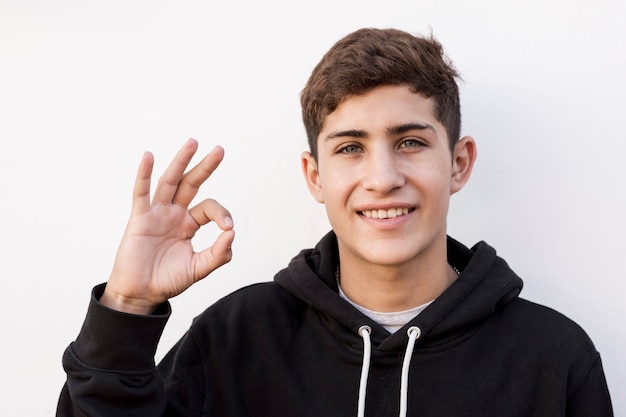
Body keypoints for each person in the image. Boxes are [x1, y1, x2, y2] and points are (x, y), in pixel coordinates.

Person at [57, 28, 613, 417]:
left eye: (411, 142)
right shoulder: (235, 340)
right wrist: (126, 308)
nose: (382, 177)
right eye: (350, 147)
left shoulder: (554, 357)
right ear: (315, 176)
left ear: (459, 163)